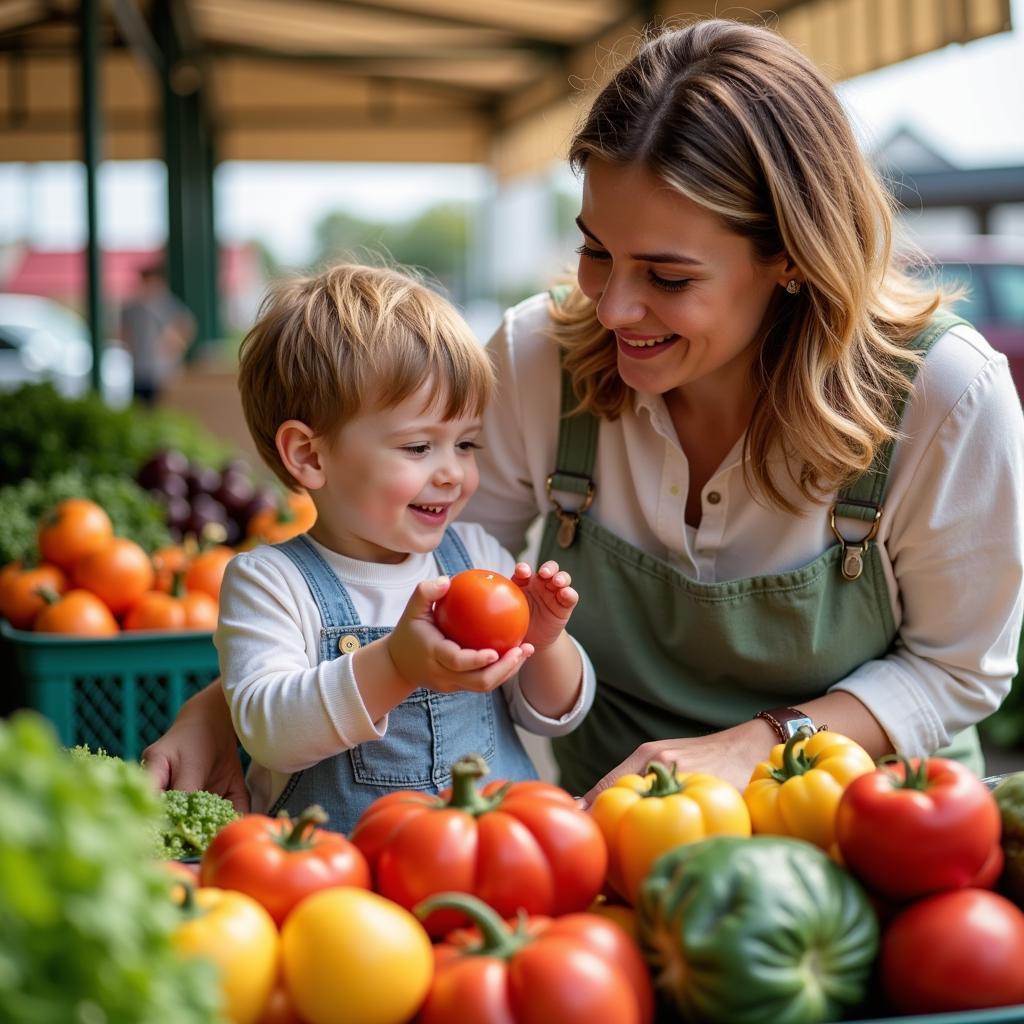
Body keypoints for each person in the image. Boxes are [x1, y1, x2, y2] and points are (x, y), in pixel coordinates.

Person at [143, 18, 1024, 810]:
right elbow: (416, 586)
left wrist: (753, 747)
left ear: (791, 258)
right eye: (595, 251)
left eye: (668, 277)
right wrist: (229, 703)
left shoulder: (945, 395)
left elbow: (954, 671)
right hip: (613, 836)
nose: (610, 309)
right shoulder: (537, 359)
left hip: (871, 822)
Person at [207, 263, 593, 832]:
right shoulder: (269, 583)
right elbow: (270, 731)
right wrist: (394, 664)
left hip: (498, 861)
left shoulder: (480, 555)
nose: (453, 474)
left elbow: (557, 717)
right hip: (342, 887)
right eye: (418, 447)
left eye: (465, 443)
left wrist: (544, 641)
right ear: (310, 456)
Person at [120, 262, 195, 406]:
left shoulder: (166, 304)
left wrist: (171, 346)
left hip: (162, 370)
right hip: (140, 368)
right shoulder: (133, 307)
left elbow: (186, 327)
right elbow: (122, 332)